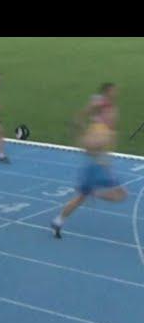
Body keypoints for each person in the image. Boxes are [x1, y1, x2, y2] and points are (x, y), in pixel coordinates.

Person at [51, 83, 126, 238]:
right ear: (107, 91)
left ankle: (58, 221)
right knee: (120, 195)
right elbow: (90, 144)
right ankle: (94, 193)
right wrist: (104, 158)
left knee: (80, 197)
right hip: (97, 163)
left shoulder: (102, 120)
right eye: (113, 90)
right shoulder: (101, 120)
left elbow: (85, 126)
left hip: (94, 161)